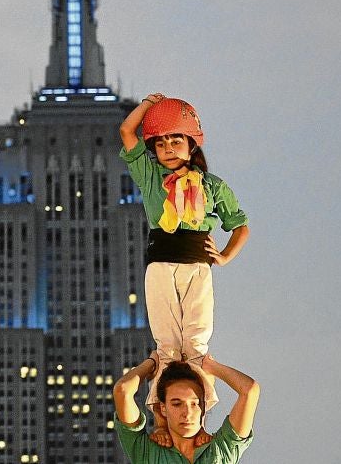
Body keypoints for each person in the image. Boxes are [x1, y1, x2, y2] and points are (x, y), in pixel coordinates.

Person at [119, 94, 250, 440]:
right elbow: (127, 131)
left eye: (176, 139)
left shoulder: (211, 185)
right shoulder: (151, 178)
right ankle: (162, 422)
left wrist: (223, 256)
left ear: (192, 144)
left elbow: (240, 225)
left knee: (196, 343)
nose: (168, 148)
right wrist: (148, 104)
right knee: (167, 345)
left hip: (196, 266)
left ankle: (200, 421)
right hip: (160, 265)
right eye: (160, 143)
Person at [113, 352, 259, 463]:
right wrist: (151, 362)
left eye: (194, 404)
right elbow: (122, 391)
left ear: (203, 407)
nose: (187, 413)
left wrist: (211, 366)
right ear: (163, 408)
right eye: (177, 404)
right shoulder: (148, 452)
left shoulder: (220, 450)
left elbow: (250, 390)